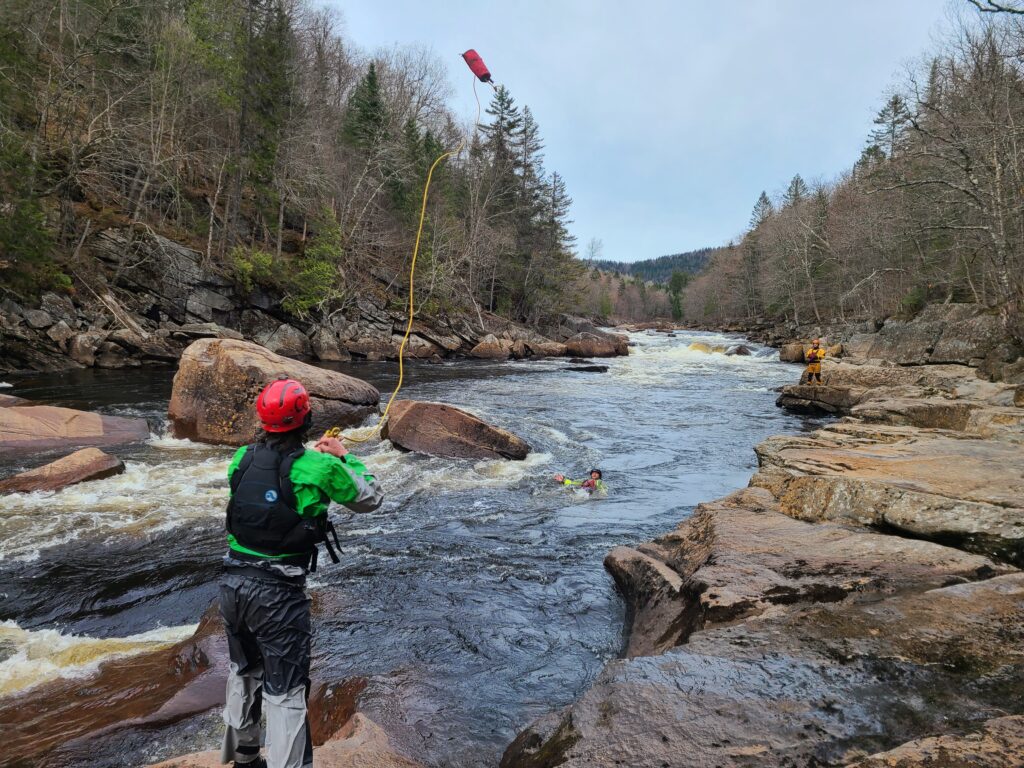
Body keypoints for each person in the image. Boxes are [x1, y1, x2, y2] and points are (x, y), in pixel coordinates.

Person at [219, 377, 384, 768]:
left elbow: (262, 494)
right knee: (287, 688)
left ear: (263, 421)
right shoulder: (321, 466)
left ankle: (243, 758)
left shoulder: (240, 458)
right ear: (305, 417)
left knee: (243, 671)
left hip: (231, 582)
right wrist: (345, 456)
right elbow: (371, 498)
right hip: (277, 594)